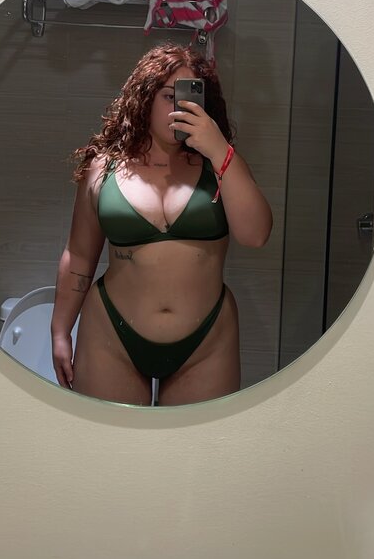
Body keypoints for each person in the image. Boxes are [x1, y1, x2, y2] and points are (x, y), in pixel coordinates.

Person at [50, 43, 272, 405]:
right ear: (145, 97)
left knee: (193, 443)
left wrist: (219, 150)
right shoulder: (103, 168)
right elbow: (78, 254)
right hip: (111, 334)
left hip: (207, 341)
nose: (179, 108)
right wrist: (60, 330)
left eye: (190, 97)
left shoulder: (222, 165)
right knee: (112, 441)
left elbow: (256, 235)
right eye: (169, 96)